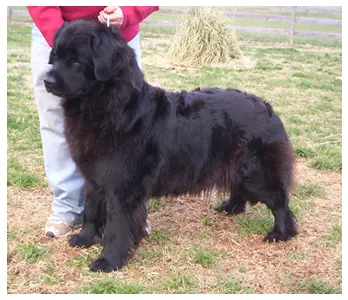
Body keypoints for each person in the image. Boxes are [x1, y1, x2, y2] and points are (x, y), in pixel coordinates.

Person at [27, 6, 159, 237]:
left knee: (130, 130)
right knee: (57, 125)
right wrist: (65, 39)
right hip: (58, 28)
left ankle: (128, 210)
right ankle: (68, 206)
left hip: (117, 36)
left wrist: (129, 11)